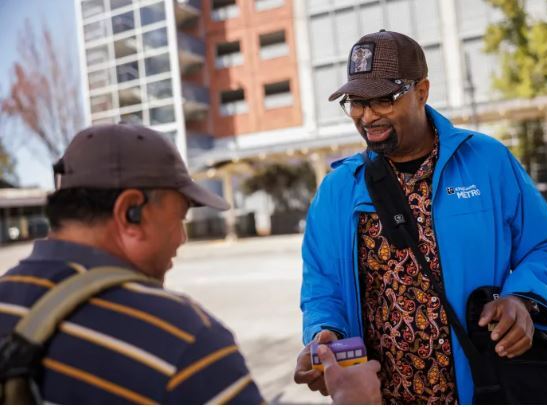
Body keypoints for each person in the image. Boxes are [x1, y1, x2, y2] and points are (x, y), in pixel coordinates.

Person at [0, 123, 381, 404]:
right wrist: (355, 401)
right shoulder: (182, 339)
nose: (181, 239)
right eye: (180, 217)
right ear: (130, 212)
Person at [295, 30, 547, 404]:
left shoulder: (488, 161)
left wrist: (523, 299)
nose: (368, 116)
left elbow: (543, 244)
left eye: (383, 100)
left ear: (422, 91)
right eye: (356, 103)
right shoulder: (337, 190)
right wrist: (325, 333)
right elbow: (322, 286)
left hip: (485, 388)